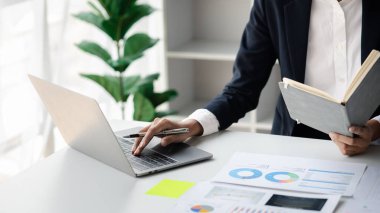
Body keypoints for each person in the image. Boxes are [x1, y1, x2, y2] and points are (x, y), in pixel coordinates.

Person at [132, 0, 380, 156]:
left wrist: (374, 129)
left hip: (374, 147)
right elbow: (242, 89)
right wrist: (191, 125)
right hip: (294, 148)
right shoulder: (273, 4)